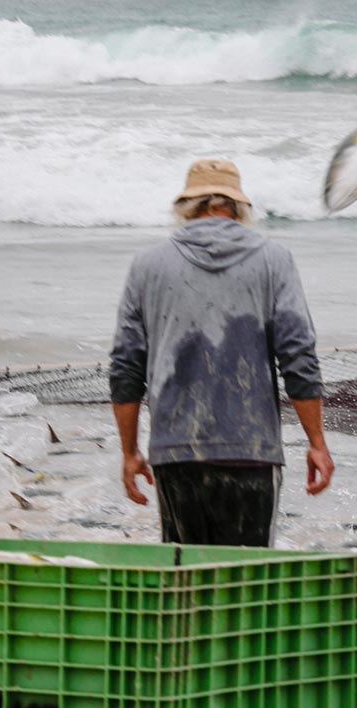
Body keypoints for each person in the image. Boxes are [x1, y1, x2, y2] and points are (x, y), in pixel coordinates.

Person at [108, 159, 334, 545]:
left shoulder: (147, 265)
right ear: (238, 208)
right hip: (252, 449)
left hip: (175, 451)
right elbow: (298, 355)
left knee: (186, 580)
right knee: (247, 579)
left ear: (187, 207)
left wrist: (129, 452)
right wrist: (317, 443)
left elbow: (126, 368)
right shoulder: (273, 259)